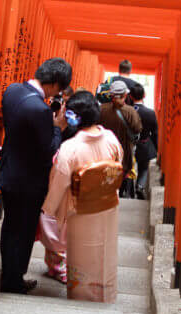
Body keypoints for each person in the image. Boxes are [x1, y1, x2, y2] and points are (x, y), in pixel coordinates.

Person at [0, 57, 72, 294]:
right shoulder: (39, 109)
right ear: (55, 83)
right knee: (24, 231)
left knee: (10, 227)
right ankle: (14, 280)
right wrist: (58, 128)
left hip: (8, 172)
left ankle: (9, 274)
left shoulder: (12, 91)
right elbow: (49, 150)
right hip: (28, 181)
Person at [43, 91, 123, 302]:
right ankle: (102, 290)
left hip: (77, 206)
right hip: (105, 204)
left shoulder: (70, 148)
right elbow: (117, 166)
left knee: (77, 251)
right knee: (101, 250)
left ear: (76, 117)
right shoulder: (111, 139)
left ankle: (80, 292)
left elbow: (60, 180)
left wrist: (49, 209)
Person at [37, 85, 77, 284]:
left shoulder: (74, 126)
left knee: (60, 225)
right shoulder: (55, 118)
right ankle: (54, 265)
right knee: (54, 224)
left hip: (64, 177)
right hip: (53, 174)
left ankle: (59, 266)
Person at [99, 81, 142, 198]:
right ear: (125, 95)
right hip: (124, 151)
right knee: (121, 173)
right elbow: (138, 129)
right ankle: (117, 194)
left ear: (111, 95)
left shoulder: (101, 109)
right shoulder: (131, 112)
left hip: (104, 151)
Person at [131, 81, 159, 199]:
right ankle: (140, 185)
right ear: (144, 95)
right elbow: (155, 132)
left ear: (130, 96)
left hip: (128, 144)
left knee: (127, 167)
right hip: (144, 144)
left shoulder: (127, 110)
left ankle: (125, 190)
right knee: (143, 169)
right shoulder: (150, 113)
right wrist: (155, 147)